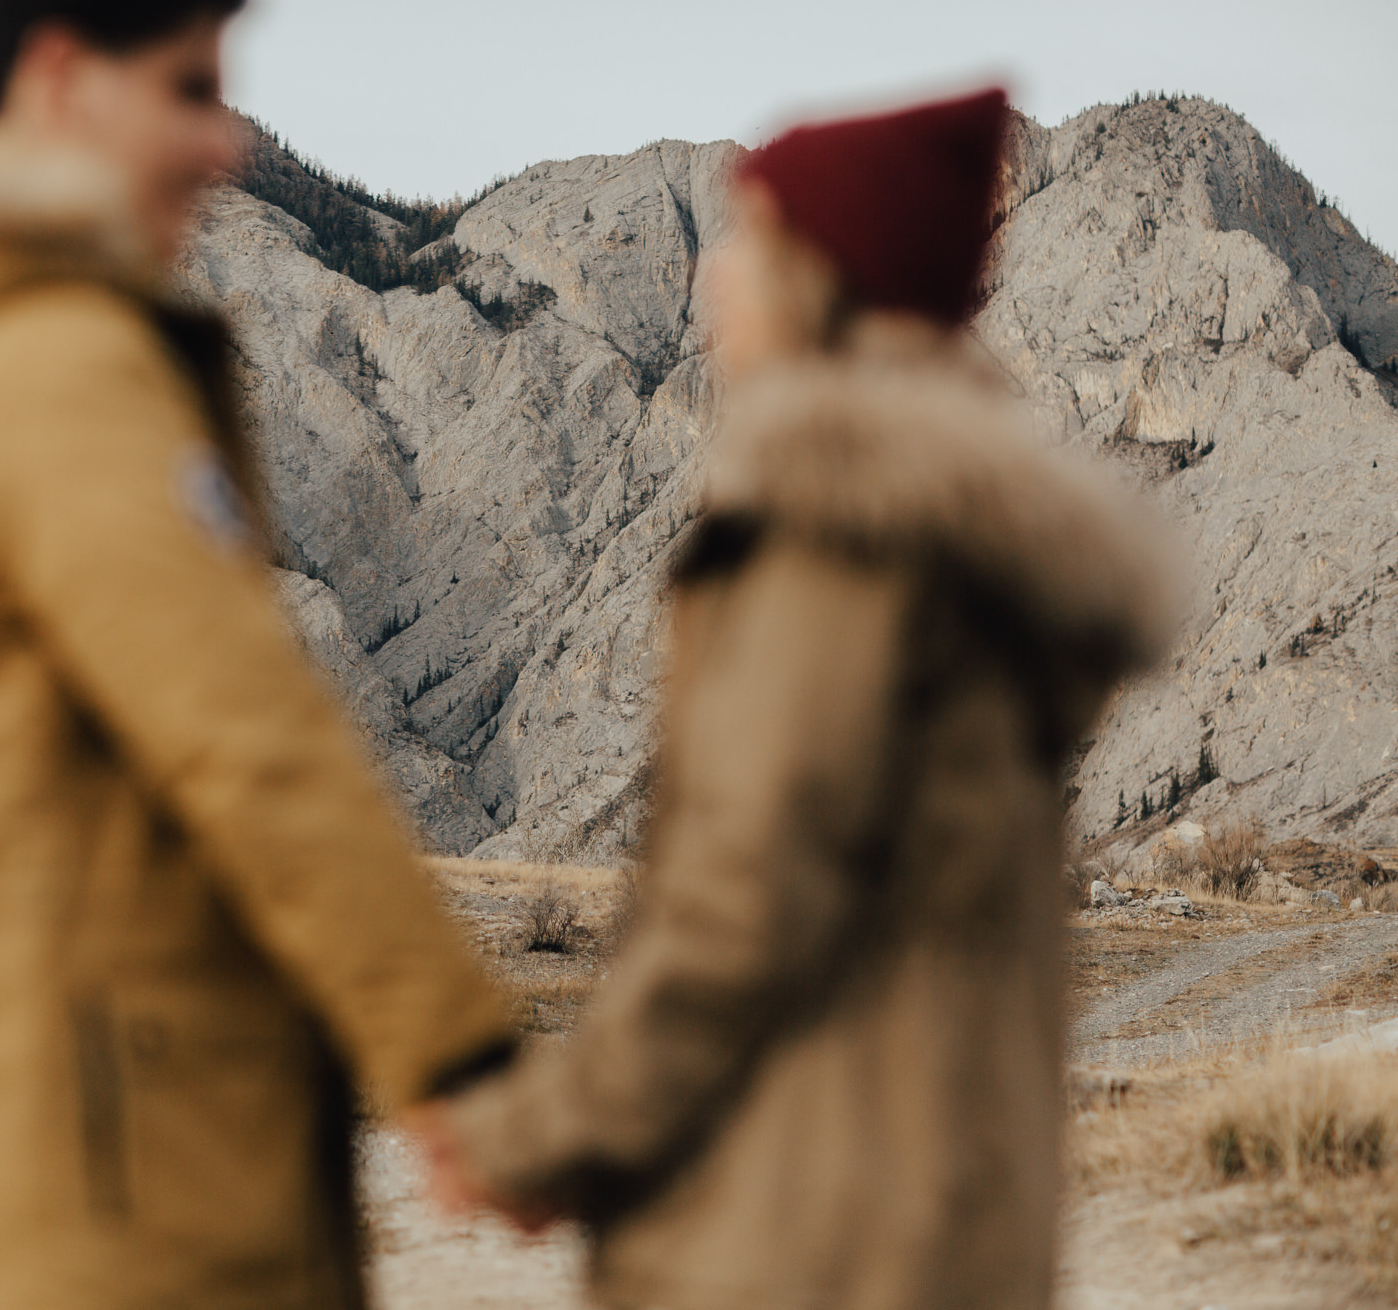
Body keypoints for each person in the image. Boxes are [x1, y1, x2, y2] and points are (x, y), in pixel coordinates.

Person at [0, 0, 512, 1306]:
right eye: (190, 89)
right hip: (98, 1195)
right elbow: (249, 739)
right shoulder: (47, 362)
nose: (228, 142)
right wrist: (457, 1054)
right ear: (64, 75)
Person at [410, 89, 1174, 1310]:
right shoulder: (957, 536)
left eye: (748, 238)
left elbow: (741, 903)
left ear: (821, 275)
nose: (710, 277)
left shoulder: (839, 535)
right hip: (938, 1216)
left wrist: (537, 1133)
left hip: (797, 1233)